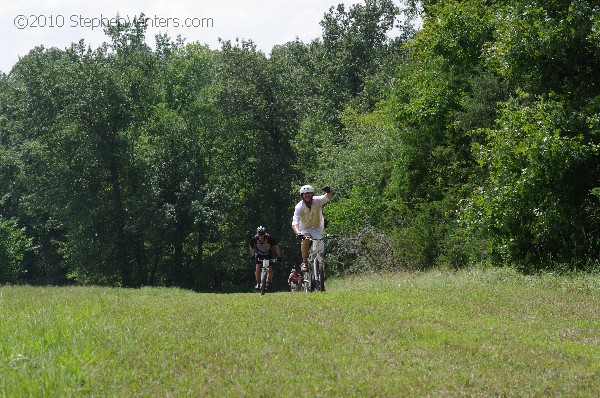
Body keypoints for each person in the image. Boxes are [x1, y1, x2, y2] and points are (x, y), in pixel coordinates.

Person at [291, 185, 333, 290]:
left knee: (320, 254)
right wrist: (298, 233)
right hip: (305, 229)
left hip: (317, 228)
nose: (307, 196)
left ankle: (320, 273)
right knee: (306, 238)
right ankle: (304, 262)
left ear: (312, 194)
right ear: (302, 195)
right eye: (305, 194)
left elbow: (328, 197)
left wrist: (329, 191)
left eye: (309, 193)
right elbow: (295, 222)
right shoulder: (299, 206)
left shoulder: (317, 201)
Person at [249, 226, 282, 291]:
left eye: (262, 235)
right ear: (257, 234)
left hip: (268, 254)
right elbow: (251, 247)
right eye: (259, 235)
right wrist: (253, 255)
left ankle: (269, 282)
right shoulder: (254, 239)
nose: (261, 237)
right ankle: (258, 283)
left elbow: (276, 247)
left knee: (270, 268)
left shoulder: (269, 238)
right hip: (259, 254)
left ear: (264, 234)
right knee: (258, 267)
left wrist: (279, 255)